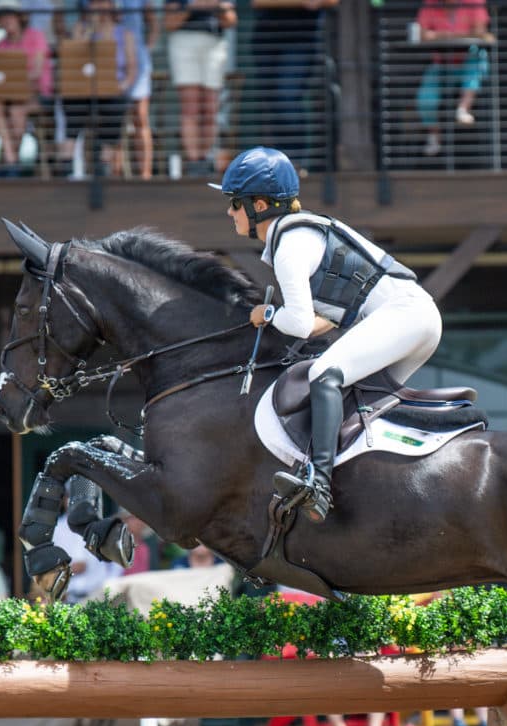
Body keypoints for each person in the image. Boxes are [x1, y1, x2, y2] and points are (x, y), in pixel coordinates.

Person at [212, 146, 439, 523]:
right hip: (413, 318)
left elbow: (299, 325)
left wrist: (265, 313)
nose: (229, 212)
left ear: (261, 205)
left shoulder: (289, 247)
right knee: (356, 408)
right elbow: (323, 323)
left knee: (323, 375)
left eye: (235, 202)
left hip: (405, 316)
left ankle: (318, 484)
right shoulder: (302, 236)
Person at [249, 0, 336, 171]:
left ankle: (294, 163)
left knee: (287, 96)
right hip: (266, 37)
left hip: (301, 37)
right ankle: (276, 163)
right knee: (272, 102)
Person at [59, 0, 139, 178]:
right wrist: (90, 31)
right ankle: (66, 164)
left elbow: (132, 68)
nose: (99, 7)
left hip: (112, 91)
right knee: (72, 107)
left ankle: (103, 166)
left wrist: (122, 86)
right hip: (83, 90)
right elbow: (74, 57)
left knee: (115, 109)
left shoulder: (124, 34)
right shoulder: (81, 28)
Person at [164, 0, 235, 176]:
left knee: (211, 109)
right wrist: (193, 5)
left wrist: (216, 7)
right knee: (191, 108)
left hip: (214, 44)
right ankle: (194, 162)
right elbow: (169, 22)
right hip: (183, 43)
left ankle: (206, 159)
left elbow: (231, 20)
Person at [414, 0, 491, 158]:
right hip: (441, 62)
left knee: (478, 60)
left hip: (468, 58)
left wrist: (439, 35)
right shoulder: (430, 5)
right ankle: (434, 136)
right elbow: (422, 34)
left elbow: (480, 32)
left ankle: (463, 109)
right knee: (425, 100)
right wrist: (458, 35)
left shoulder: (474, 3)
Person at [0, 0, 50, 174]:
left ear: (19, 17)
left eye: (9, 16)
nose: (6, 20)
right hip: (9, 96)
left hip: (36, 96)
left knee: (17, 110)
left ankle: (10, 161)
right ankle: (11, 156)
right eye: (2, 17)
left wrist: (15, 81)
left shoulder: (36, 37)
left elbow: (37, 73)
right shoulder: (0, 44)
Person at [118, 0, 159, 177]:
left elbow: (153, 20)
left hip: (138, 58)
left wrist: (147, 47)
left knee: (140, 118)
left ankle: (145, 174)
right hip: (111, 56)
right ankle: (115, 172)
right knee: (115, 120)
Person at [51, 510, 124, 603]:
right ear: (64, 499)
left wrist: (108, 589)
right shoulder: (56, 528)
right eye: (68, 496)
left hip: (97, 597)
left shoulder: (101, 526)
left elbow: (115, 564)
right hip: (67, 598)